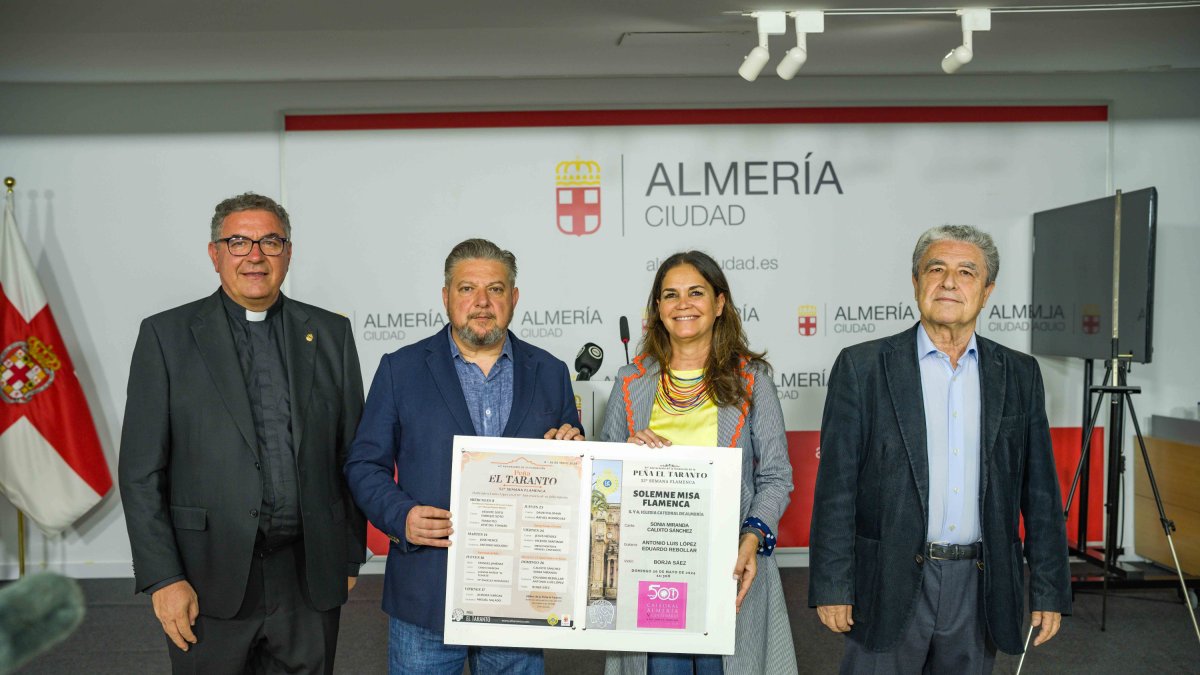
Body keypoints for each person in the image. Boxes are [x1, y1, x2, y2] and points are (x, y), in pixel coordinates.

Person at [118, 192, 366, 674]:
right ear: (215, 254)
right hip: (205, 579)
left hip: (307, 577)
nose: (255, 255)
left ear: (288, 252)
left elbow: (351, 452)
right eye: (239, 242)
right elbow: (140, 472)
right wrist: (163, 577)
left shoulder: (331, 333)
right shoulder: (166, 336)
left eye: (270, 241)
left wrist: (349, 556)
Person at [809, 225, 1072, 673]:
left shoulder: (1019, 374)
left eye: (967, 272)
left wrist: (1049, 589)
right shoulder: (863, 367)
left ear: (987, 291)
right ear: (916, 283)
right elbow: (837, 488)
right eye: (937, 268)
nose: (950, 282)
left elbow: (1041, 494)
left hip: (979, 586)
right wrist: (833, 583)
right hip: (887, 580)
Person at [344, 238, 584, 675]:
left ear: (514, 298)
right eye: (466, 289)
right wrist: (403, 517)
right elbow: (364, 465)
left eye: (495, 289)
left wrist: (574, 447)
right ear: (445, 297)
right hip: (428, 593)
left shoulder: (549, 371)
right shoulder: (401, 369)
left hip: (522, 601)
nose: (481, 302)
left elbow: (570, 461)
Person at [601, 250, 797, 675]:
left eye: (696, 293)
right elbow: (603, 481)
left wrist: (751, 539)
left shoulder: (752, 380)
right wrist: (626, 456)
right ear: (657, 308)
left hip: (728, 572)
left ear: (719, 303)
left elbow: (777, 476)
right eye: (670, 295)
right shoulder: (630, 381)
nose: (683, 304)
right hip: (650, 573)